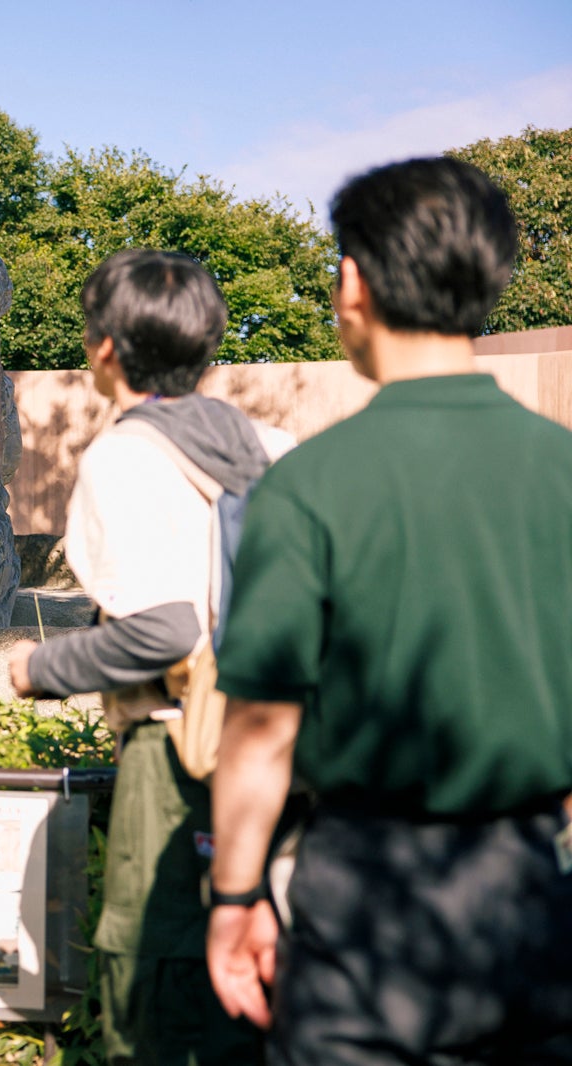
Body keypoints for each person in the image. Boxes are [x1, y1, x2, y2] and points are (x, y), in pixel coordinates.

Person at [205, 156, 572, 1063]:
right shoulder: (561, 470)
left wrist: (236, 897)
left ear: (353, 283)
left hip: (364, 903)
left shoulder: (307, 487)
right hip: (534, 893)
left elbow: (262, 728)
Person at [8, 248, 290, 1065]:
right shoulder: (272, 444)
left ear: (104, 348)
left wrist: (41, 669)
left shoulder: (126, 456)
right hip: (284, 750)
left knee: (154, 990)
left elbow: (163, 631)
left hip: (179, 756)